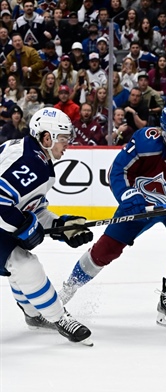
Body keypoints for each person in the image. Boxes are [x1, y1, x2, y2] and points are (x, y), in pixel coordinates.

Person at [58, 104, 166, 329]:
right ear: (162, 132)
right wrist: (127, 194)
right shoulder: (145, 140)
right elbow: (117, 170)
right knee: (105, 250)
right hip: (139, 206)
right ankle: (68, 288)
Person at [0, 107, 93, 345]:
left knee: (18, 260)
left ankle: (34, 315)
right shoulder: (31, 162)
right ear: (46, 137)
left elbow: (31, 207)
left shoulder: (35, 156)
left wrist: (61, 226)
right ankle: (59, 318)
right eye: (63, 138)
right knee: (25, 264)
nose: (67, 144)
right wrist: (23, 225)